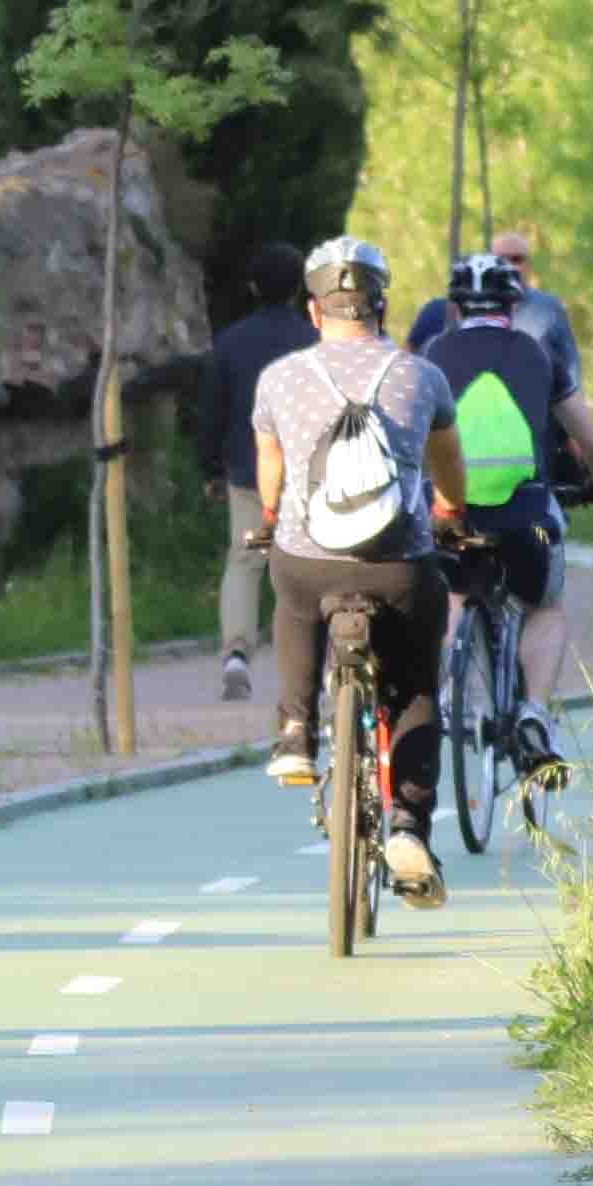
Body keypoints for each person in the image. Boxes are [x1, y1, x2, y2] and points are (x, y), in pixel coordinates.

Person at [251, 236, 472, 907]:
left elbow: (272, 474)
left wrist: (270, 516)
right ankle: (408, 822)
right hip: (398, 565)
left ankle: (294, 733)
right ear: (381, 305)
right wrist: (452, 513)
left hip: (308, 562)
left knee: (290, 599)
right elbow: (449, 471)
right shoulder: (420, 376)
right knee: (414, 687)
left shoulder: (280, 378)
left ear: (315, 312)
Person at [420, 254, 593, 782]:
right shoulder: (537, 355)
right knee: (544, 605)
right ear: (514, 303)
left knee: (454, 592)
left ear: (456, 306)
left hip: (453, 514)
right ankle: (533, 711)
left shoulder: (433, 353)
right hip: (525, 515)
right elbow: (589, 440)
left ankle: (443, 692)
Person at [199, 241, 314, 704]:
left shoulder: (230, 342)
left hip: (249, 474)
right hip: (309, 473)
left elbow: (213, 411)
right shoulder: (315, 342)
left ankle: (236, 654)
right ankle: (311, 658)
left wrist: (211, 467)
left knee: (244, 564)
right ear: (300, 288)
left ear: (252, 287)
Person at [405, 226, 580, 388]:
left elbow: (570, 372)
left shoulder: (547, 312)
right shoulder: (437, 322)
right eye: (501, 259)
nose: (509, 265)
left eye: (517, 259)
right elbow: (409, 365)